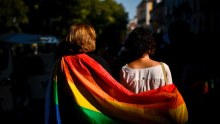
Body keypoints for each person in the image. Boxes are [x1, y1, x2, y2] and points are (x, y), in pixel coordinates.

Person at [119, 26, 173, 93]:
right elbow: (170, 96)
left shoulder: (125, 71)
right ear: (150, 45)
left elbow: (124, 98)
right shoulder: (164, 68)